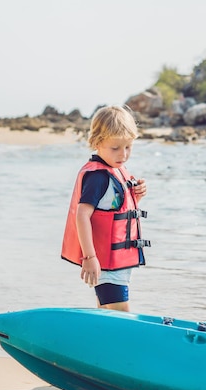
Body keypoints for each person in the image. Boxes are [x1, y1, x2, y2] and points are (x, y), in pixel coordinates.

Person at [61, 105, 150, 312]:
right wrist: (89, 258)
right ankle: (126, 344)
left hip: (117, 263)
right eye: (116, 148)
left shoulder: (116, 170)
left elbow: (113, 211)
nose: (124, 154)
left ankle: (97, 342)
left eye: (128, 147)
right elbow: (82, 216)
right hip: (105, 264)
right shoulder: (98, 177)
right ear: (98, 143)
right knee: (121, 313)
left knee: (106, 313)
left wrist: (137, 196)